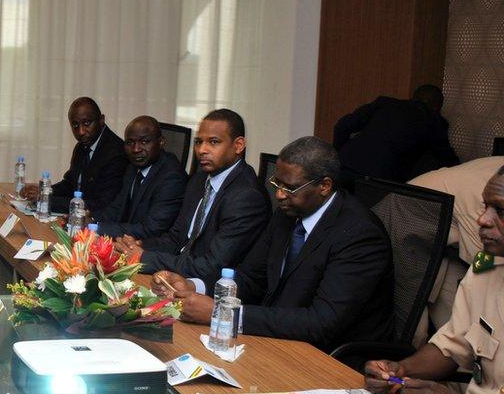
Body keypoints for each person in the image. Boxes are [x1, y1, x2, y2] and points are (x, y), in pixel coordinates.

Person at [154, 137, 394, 352]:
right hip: (278, 338)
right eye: (277, 184)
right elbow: (252, 277)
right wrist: (195, 287)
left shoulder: (359, 235)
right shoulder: (287, 214)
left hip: (329, 357)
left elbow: (322, 322)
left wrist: (224, 314)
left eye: (290, 188)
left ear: (325, 186)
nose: (279, 195)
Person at [364, 166, 504, 394]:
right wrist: (400, 370)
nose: (482, 219)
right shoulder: (487, 268)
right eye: (485, 206)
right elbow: (452, 345)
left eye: (500, 211)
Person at [117, 109, 269, 292]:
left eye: (214, 142)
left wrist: (145, 257)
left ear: (238, 145)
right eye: (198, 142)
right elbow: (177, 238)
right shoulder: (200, 179)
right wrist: (139, 246)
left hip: (213, 293)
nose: (202, 150)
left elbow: (211, 266)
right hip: (176, 277)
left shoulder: (247, 197)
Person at [408, 157, 504, 344]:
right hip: (411, 212)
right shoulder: (492, 205)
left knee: (460, 329)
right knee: (414, 329)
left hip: (447, 225)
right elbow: (485, 265)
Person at [334, 84, 460, 187]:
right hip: (380, 179)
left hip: (345, 165)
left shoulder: (384, 103)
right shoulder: (434, 121)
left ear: (413, 97)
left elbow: (342, 126)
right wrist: (462, 171)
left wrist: (337, 156)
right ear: (437, 107)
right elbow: (446, 157)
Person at [21, 97, 128, 215]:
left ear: (101, 120)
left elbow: (101, 204)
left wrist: (46, 200)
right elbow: (70, 184)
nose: (81, 131)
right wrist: (44, 192)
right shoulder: (82, 146)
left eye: (87, 123)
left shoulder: (116, 153)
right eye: (75, 125)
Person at [90, 115, 186, 239]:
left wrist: (97, 228)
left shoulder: (172, 178)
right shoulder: (133, 166)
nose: (136, 149)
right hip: (127, 242)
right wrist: (90, 220)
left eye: (144, 142)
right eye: (130, 143)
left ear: (161, 142)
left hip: (150, 249)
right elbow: (117, 208)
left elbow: (151, 229)